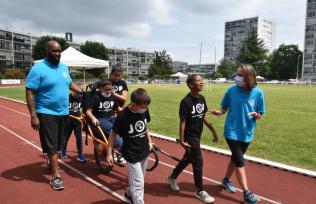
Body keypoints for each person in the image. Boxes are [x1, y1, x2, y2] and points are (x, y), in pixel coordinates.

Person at [25, 40, 82, 191]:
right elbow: (30, 92)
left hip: (63, 112)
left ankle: (51, 162)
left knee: (59, 143)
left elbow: (69, 84)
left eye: (59, 51)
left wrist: (81, 90)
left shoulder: (64, 67)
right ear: (47, 51)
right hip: (46, 112)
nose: (57, 54)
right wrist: (33, 116)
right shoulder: (38, 69)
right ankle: (55, 176)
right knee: (52, 145)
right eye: (54, 51)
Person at [209, 64, 265, 204]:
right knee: (240, 161)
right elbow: (224, 107)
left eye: (240, 75)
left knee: (235, 159)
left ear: (248, 77)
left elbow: (260, 113)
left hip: (247, 132)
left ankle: (226, 180)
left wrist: (257, 115)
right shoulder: (231, 90)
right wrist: (219, 112)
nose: (237, 77)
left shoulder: (258, 93)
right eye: (237, 74)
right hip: (231, 132)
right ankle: (247, 193)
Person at [167, 74, 218, 204]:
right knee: (198, 162)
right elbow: (182, 122)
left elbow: (202, 116)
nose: (202, 82)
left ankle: (172, 177)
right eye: (199, 81)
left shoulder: (201, 98)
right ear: (191, 85)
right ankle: (200, 191)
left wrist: (212, 130)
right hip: (190, 136)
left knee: (188, 158)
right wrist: (182, 140)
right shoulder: (186, 102)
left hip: (198, 134)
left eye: (202, 80)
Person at [105, 88, 153, 204]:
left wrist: (150, 142)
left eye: (146, 107)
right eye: (143, 107)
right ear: (134, 104)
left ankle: (129, 195)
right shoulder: (123, 116)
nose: (145, 109)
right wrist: (109, 153)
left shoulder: (145, 110)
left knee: (139, 180)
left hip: (144, 151)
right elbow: (113, 134)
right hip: (131, 154)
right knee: (139, 183)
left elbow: (145, 127)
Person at [85, 79, 126, 165]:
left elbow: (118, 109)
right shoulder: (96, 97)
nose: (108, 92)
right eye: (106, 90)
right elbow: (88, 111)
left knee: (125, 127)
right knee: (113, 130)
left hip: (112, 117)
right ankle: (122, 151)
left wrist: (128, 112)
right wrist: (93, 118)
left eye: (110, 89)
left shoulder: (112, 96)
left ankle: (125, 148)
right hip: (101, 119)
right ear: (100, 89)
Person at [61, 91, 86, 162]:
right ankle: (63, 151)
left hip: (77, 121)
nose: (79, 96)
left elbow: (84, 108)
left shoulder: (81, 98)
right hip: (67, 121)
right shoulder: (67, 97)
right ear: (73, 92)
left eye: (80, 94)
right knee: (65, 137)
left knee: (79, 138)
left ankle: (80, 155)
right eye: (78, 93)